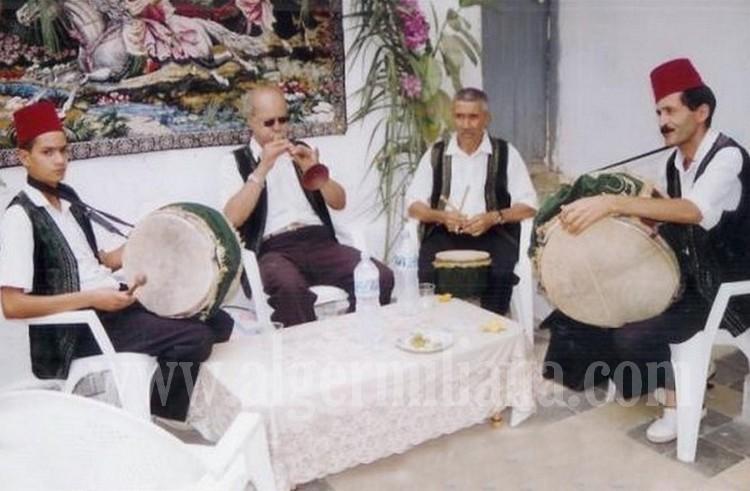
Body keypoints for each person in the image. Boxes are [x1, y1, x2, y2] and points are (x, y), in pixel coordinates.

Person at [545, 58, 750, 443]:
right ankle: (682, 387)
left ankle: (680, 400)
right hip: (689, 280)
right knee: (587, 311)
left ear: (701, 111)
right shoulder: (670, 163)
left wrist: (613, 204)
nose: (662, 120)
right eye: (658, 111)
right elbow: (661, 217)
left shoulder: (728, 156)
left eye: (671, 110)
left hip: (728, 287)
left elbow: (693, 210)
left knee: (635, 336)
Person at [0, 100, 233, 422]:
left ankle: (177, 397)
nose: (60, 160)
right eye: (48, 152)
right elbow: (12, 306)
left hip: (110, 306)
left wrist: (150, 240)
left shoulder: (67, 200)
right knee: (193, 338)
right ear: (24, 158)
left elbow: (93, 263)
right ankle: (164, 414)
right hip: (78, 331)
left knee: (220, 321)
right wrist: (94, 298)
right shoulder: (19, 216)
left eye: (64, 151)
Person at [221, 84, 394, 327]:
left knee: (381, 277)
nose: (279, 128)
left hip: (318, 241)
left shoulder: (301, 151)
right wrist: (262, 168)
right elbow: (232, 218)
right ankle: (304, 357)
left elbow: (339, 202)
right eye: (269, 122)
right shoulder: (236, 161)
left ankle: (354, 337)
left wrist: (314, 171)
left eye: (283, 119)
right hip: (272, 249)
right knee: (290, 287)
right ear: (251, 121)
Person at [405, 87, 537, 315]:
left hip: (494, 232)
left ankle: (490, 330)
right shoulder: (436, 154)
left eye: (473, 117)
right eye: (460, 116)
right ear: (453, 117)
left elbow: (529, 205)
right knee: (427, 270)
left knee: (500, 273)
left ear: (486, 118)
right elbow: (413, 205)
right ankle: (438, 328)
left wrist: (494, 217)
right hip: (444, 232)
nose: (466, 124)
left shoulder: (506, 153)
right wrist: (442, 216)